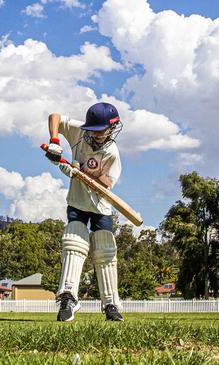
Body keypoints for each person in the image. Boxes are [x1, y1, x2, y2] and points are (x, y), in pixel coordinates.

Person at [45, 102, 124, 322]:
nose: (98, 135)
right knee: (73, 242)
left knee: (105, 252)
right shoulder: (80, 131)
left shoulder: (112, 153)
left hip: (100, 206)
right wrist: (55, 141)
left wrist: (76, 171)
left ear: (112, 128)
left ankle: (111, 305)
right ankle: (68, 297)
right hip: (77, 202)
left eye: (102, 131)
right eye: (94, 131)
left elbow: (104, 183)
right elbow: (54, 117)